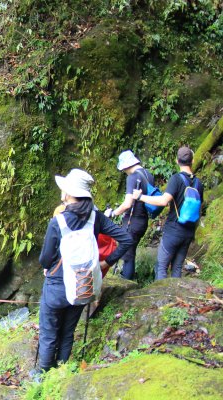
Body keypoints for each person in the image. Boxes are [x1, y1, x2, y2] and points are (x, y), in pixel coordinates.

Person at [37, 169, 132, 374]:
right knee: (68, 330)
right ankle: (61, 371)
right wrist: (106, 263)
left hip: (56, 284)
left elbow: (44, 258)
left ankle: (43, 374)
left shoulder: (58, 221)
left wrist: (47, 267)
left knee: (48, 331)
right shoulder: (96, 217)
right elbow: (126, 239)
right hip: (83, 282)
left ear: (68, 194)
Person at [132, 146, 204, 280]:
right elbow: (199, 208)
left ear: (177, 161)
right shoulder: (199, 183)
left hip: (173, 230)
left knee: (161, 267)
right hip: (188, 232)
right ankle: (175, 298)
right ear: (192, 161)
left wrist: (140, 197)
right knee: (177, 267)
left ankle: (162, 298)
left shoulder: (176, 179)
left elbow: (164, 201)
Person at [105, 150, 155, 280]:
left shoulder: (132, 177)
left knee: (127, 257)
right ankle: (128, 281)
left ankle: (126, 287)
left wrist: (113, 213)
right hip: (143, 221)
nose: (124, 171)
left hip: (132, 222)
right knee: (130, 253)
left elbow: (128, 204)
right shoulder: (148, 175)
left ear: (126, 165)